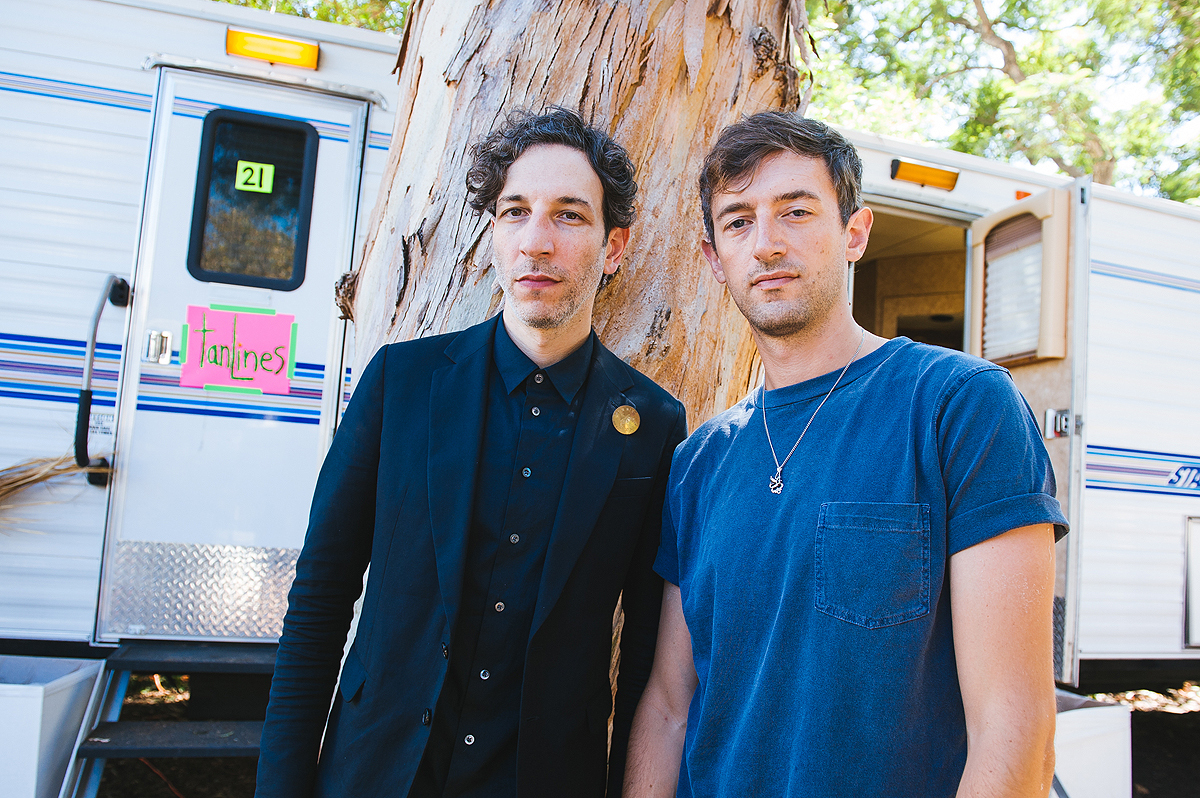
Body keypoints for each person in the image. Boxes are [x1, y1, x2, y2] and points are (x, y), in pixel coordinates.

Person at [623, 112, 1068, 797]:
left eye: (795, 212)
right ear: (716, 260)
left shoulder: (957, 405)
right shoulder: (700, 462)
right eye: (738, 221)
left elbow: (1015, 726)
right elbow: (668, 706)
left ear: (853, 233)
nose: (766, 243)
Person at [256, 107, 686, 798]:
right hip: (374, 776)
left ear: (614, 248)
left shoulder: (656, 425)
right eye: (515, 212)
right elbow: (320, 596)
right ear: (493, 235)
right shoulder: (402, 384)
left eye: (570, 216)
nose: (536, 242)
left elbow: (643, 658)